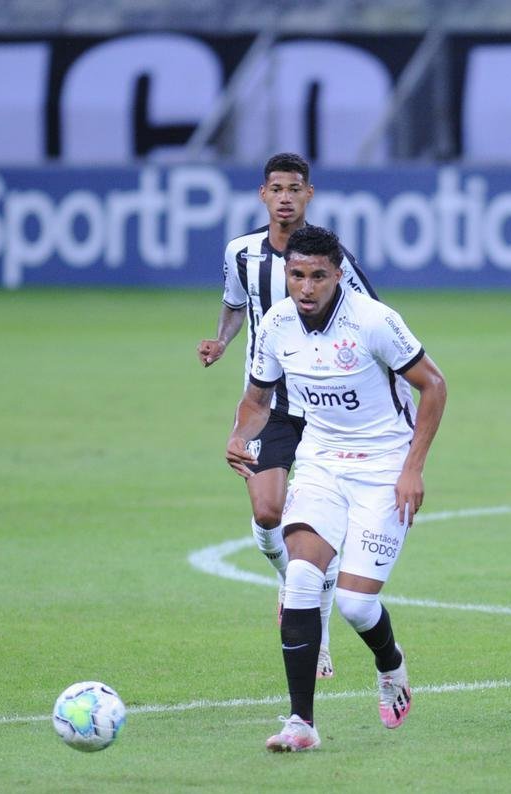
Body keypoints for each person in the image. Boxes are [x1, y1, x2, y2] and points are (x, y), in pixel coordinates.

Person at [226, 225, 447, 753]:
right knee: (301, 579)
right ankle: (300, 723)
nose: (306, 287)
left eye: (318, 276)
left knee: (353, 604)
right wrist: (238, 435)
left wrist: (413, 468)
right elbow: (258, 400)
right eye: (297, 275)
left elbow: (433, 385)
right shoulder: (276, 324)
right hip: (321, 463)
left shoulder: (374, 321)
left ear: (339, 274)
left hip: (383, 470)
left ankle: (390, 663)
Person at [198, 153, 376, 680]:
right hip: (270, 404)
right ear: (262, 195)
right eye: (276, 188)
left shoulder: (328, 258)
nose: (284, 198)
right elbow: (235, 303)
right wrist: (223, 342)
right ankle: (295, 579)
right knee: (269, 515)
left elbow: (370, 316)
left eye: (294, 189)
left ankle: (309, 609)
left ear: (308, 195)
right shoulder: (242, 254)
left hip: (324, 403)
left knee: (313, 526)